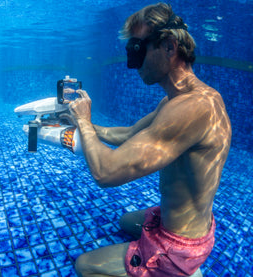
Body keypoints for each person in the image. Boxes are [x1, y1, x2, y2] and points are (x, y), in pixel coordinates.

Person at [69, 3, 232, 277]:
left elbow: (106, 172)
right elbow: (128, 134)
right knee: (125, 222)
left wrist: (84, 123)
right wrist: (79, 121)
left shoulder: (192, 109)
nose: (133, 63)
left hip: (180, 246)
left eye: (137, 49)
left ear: (169, 47)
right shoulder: (180, 99)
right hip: (184, 222)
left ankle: (179, 272)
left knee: (85, 267)